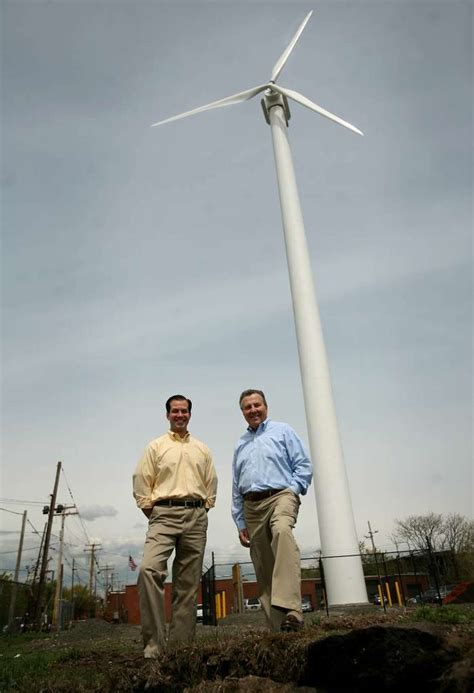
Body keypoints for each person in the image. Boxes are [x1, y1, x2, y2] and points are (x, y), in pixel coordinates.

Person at [133, 394, 217, 658]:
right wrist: (157, 513)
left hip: (195, 517)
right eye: (175, 411)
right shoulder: (155, 447)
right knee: (148, 570)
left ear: (190, 414)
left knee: (187, 585)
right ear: (167, 415)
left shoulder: (202, 449)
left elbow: (211, 483)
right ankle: (154, 647)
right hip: (163, 515)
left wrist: (202, 509)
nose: (180, 415)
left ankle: (181, 651)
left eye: (184, 411)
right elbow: (141, 482)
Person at [231, 389, 312, 632]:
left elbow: (303, 465)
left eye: (257, 405)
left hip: (281, 496)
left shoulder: (283, 431)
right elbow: (236, 484)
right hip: (251, 506)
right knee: (263, 564)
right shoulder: (241, 444)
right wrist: (239, 520)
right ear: (243, 412)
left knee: (282, 532)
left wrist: (293, 489)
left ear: (266, 407)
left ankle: (293, 610)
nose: (253, 410)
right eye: (248, 407)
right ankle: (281, 629)